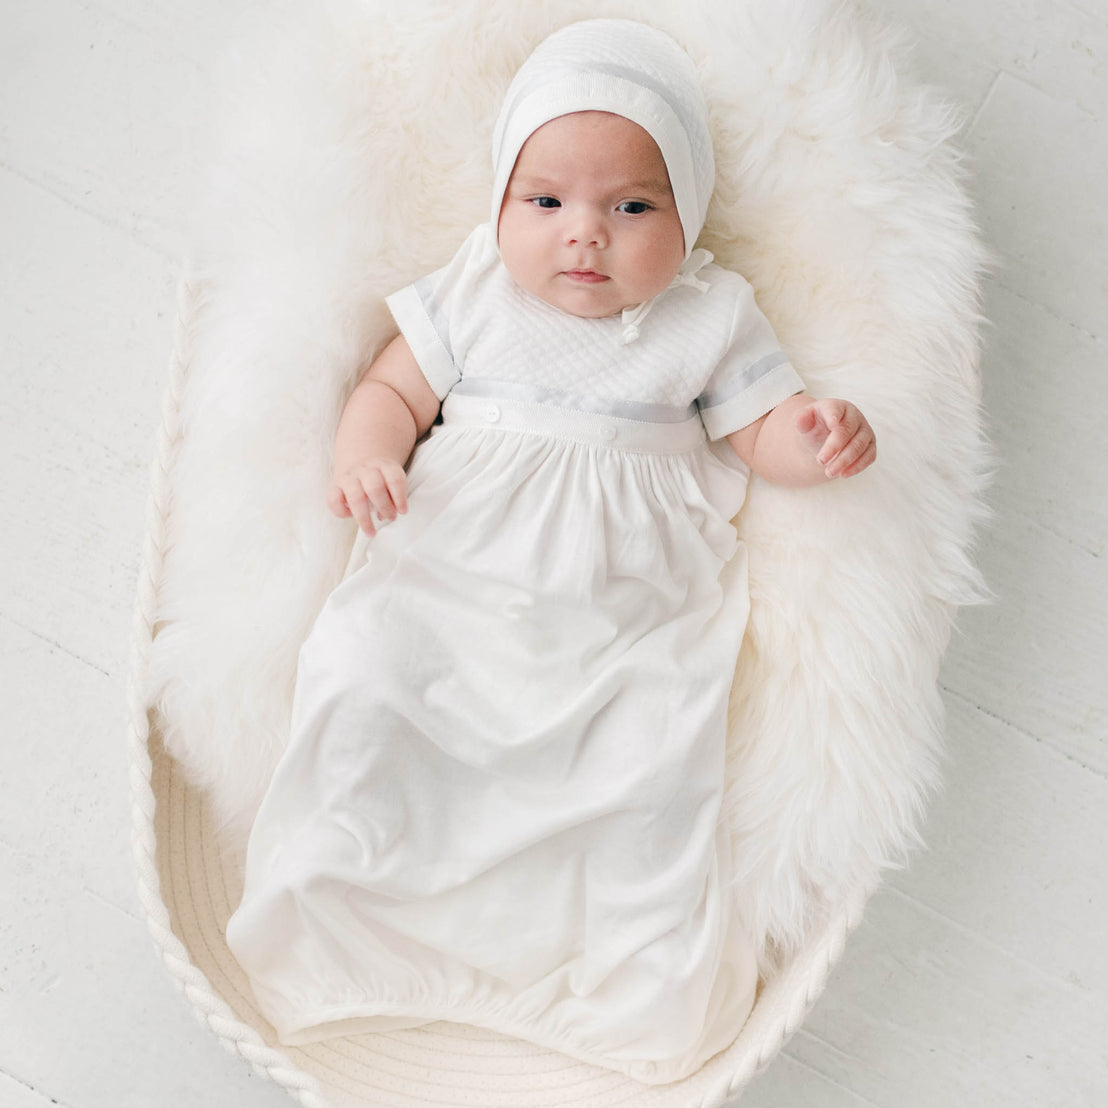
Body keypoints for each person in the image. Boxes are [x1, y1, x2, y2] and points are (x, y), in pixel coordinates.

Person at [225, 17, 875, 1086]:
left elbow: (759, 429)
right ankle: (348, 928)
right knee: (367, 685)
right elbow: (391, 388)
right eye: (547, 201)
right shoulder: (474, 287)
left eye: (631, 206)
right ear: (500, 203)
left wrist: (815, 436)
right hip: (450, 584)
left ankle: (604, 984)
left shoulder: (711, 316)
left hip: (620, 619)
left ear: (688, 213)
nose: (585, 234)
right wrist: (369, 456)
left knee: (638, 774)